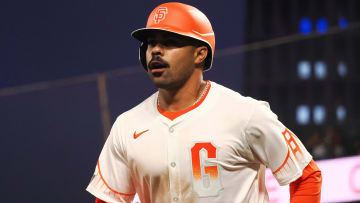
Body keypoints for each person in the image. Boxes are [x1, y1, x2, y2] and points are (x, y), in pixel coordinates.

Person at [86, 2, 322, 203]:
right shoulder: (126, 126)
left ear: (200, 53)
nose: (155, 50)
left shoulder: (246, 113)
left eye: (169, 41)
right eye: (150, 43)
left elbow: (307, 176)